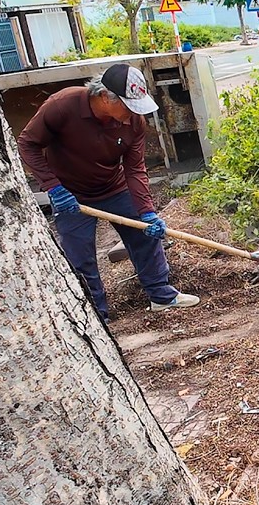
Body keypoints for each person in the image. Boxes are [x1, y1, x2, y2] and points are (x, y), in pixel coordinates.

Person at [18, 63, 200, 321]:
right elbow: (28, 144)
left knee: (145, 236)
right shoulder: (62, 105)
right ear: (104, 97)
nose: (133, 114)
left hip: (114, 187)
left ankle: (161, 296)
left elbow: (135, 168)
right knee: (79, 257)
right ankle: (94, 315)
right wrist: (53, 187)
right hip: (70, 195)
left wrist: (147, 212)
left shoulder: (134, 122)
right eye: (127, 106)